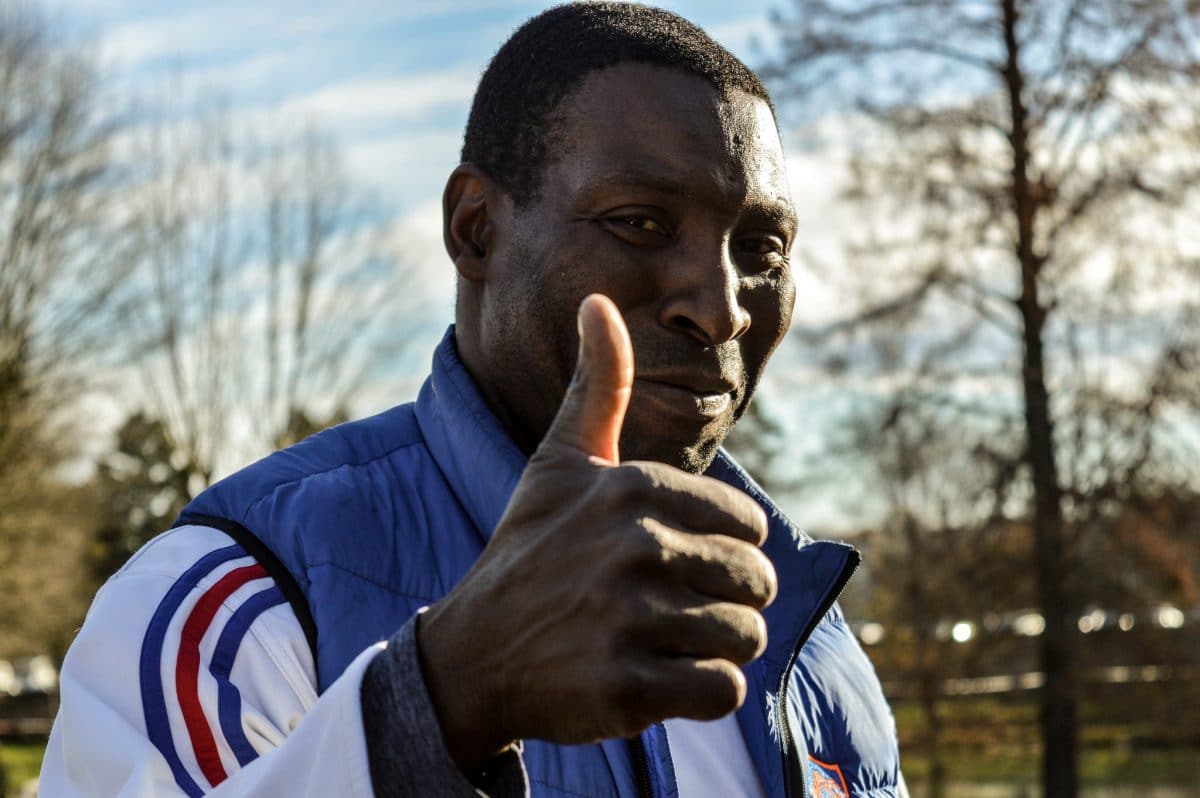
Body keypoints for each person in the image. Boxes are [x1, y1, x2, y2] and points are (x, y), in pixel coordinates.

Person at [41, 4, 904, 797]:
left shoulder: (811, 642)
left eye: (761, 245)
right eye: (640, 221)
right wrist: (437, 704)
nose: (721, 307)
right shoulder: (238, 599)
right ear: (476, 229)